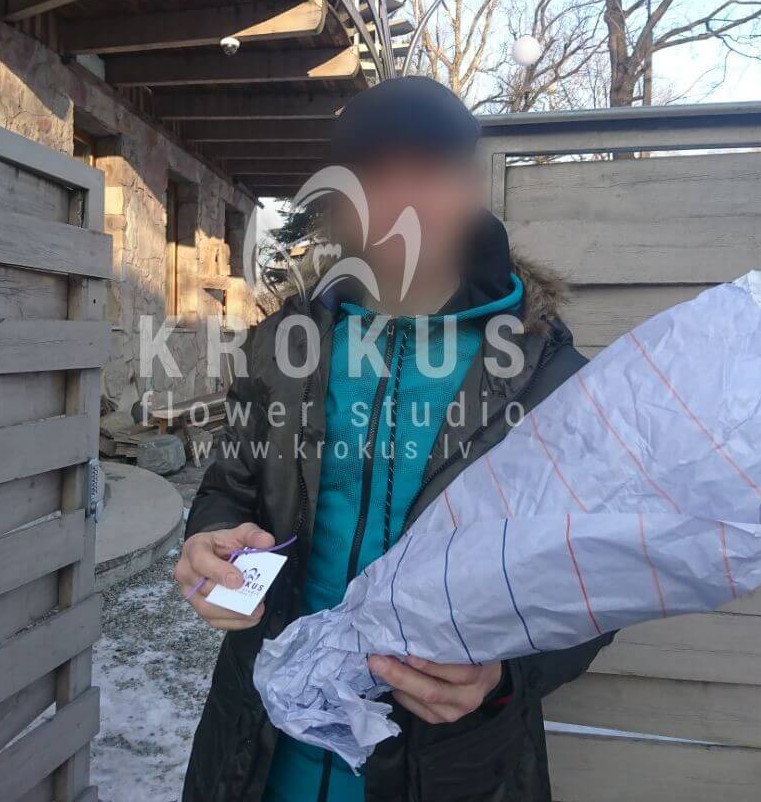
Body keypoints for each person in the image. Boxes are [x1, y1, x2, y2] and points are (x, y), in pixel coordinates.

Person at [176, 77, 613, 802]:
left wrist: (505, 677)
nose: (402, 202)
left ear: (473, 189)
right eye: (372, 178)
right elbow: (230, 485)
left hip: (449, 768)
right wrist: (211, 543)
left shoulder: (551, 378)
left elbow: (592, 579)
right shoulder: (286, 344)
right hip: (258, 751)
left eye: (430, 172)